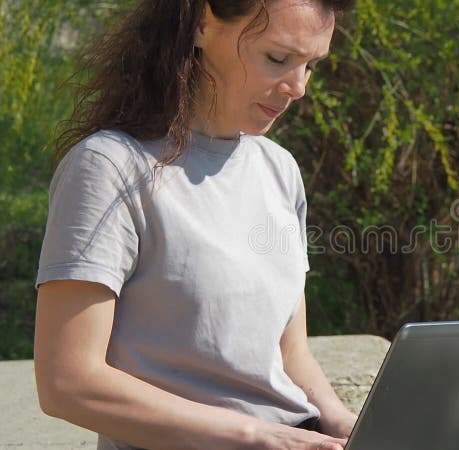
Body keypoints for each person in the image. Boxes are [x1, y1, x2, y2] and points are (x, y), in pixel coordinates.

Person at [33, 0, 357, 449]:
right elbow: (67, 383)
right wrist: (253, 436)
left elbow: (288, 352)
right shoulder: (109, 167)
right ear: (202, 25)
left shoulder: (278, 169)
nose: (298, 87)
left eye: (311, 66)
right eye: (278, 58)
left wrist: (340, 420)